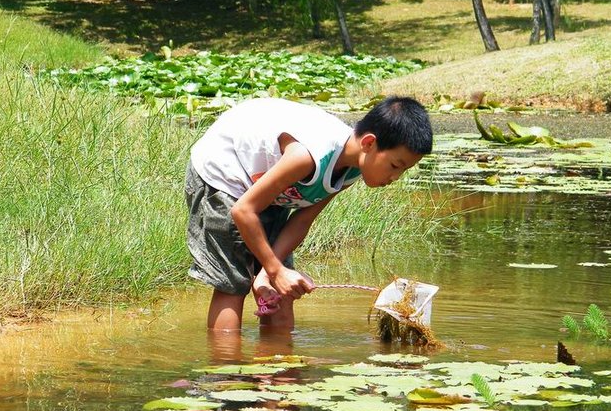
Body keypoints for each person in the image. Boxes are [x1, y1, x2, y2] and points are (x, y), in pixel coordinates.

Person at [184, 96, 433, 331]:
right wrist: (274, 269)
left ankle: (281, 369)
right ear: (368, 143)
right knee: (233, 284)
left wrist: (267, 274)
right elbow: (243, 210)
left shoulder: (353, 167)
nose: (395, 178)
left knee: (280, 290)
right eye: (395, 166)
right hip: (226, 173)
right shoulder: (308, 156)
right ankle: (225, 371)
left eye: (403, 171)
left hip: (266, 180)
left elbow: (302, 219)